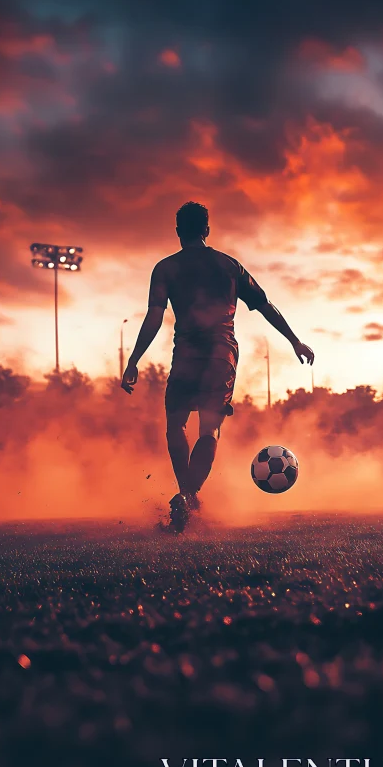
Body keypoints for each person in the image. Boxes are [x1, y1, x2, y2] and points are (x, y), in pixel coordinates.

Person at [121, 201, 314, 532]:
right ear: (207, 230)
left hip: (185, 357)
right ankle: (189, 496)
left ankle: (185, 494)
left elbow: (155, 315)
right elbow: (265, 305)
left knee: (175, 426)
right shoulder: (229, 266)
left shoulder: (165, 268)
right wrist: (294, 340)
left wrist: (134, 359)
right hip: (221, 357)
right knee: (209, 430)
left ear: (179, 232)